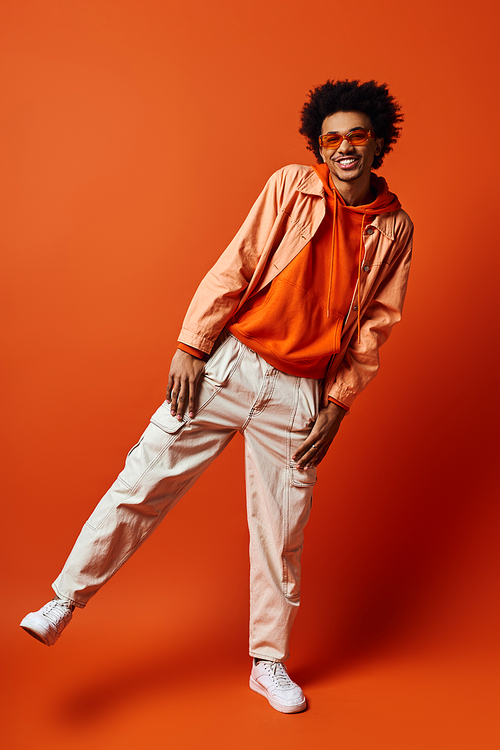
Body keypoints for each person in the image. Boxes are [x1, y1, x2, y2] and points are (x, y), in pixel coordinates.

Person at [20, 79, 413, 714]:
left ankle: (268, 664)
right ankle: (64, 600)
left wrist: (337, 405)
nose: (344, 148)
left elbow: (376, 325)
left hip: (301, 396)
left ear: (377, 143)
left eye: (357, 136)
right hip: (230, 367)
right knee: (141, 483)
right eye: (333, 137)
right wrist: (191, 345)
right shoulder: (291, 186)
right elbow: (239, 261)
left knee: (280, 535)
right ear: (320, 143)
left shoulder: (396, 228)